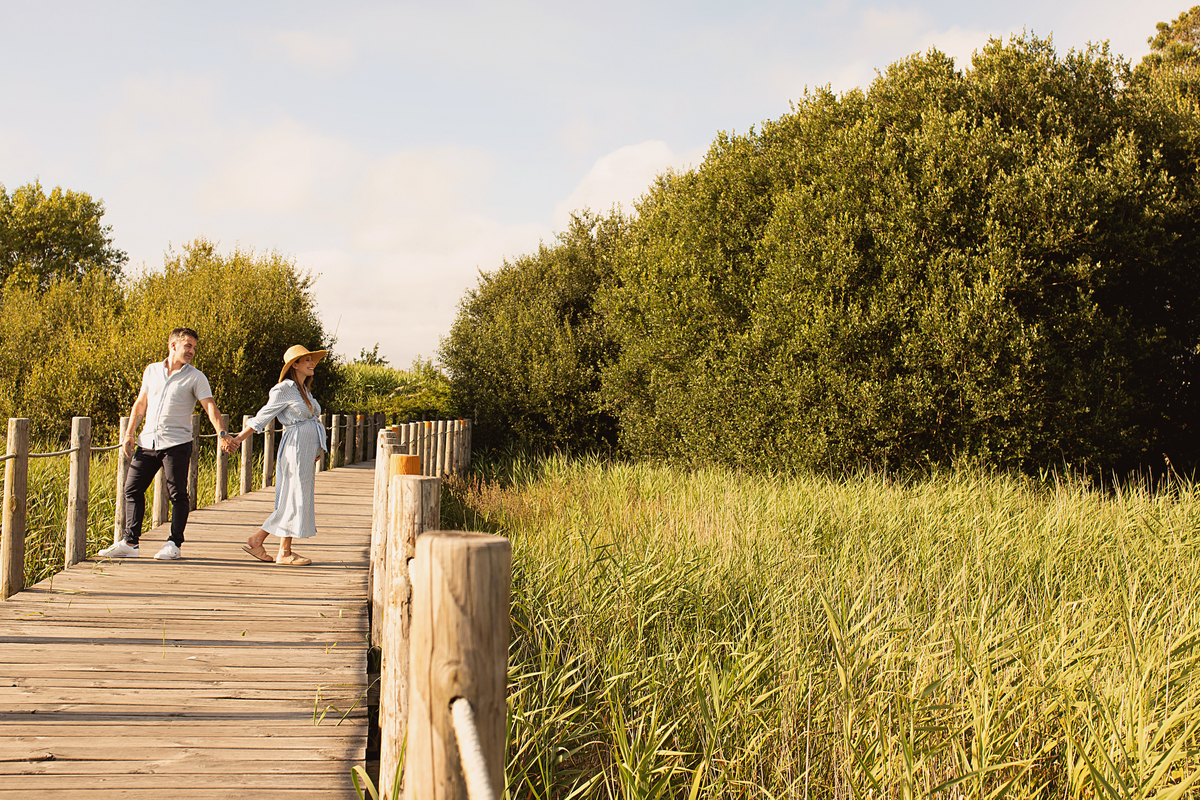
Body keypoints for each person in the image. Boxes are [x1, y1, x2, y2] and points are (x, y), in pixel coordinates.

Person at [99, 327, 234, 560]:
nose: (192, 351)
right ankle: (130, 543)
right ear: (173, 345)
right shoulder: (151, 370)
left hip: (177, 444)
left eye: (194, 347)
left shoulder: (196, 377)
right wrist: (129, 434)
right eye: (188, 346)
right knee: (131, 489)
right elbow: (141, 403)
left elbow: (210, 406)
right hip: (147, 442)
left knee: (177, 495)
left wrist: (222, 433)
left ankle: (174, 544)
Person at [227, 345, 328, 566]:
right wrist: (238, 439)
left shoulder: (304, 390)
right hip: (295, 449)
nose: (312, 364)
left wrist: (318, 447)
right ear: (295, 365)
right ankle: (280, 549)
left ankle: (267, 543)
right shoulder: (284, 389)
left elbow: (313, 420)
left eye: (312, 360)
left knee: (297, 497)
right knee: (293, 497)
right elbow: (262, 417)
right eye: (307, 360)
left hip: (306, 449)